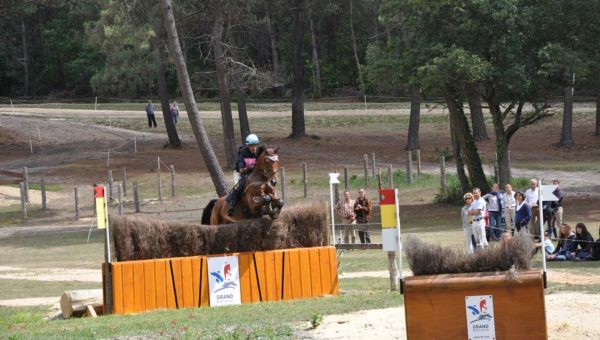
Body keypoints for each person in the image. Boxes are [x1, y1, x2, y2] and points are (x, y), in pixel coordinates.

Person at [226, 134, 262, 216]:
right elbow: (241, 169)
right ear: (248, 146)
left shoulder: (258, 152)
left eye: (255, 145)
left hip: (251, 174)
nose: (254, 148)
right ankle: (232, 205)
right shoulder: (242, 152)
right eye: (252, 146)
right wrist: (250, 168)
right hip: (240, 173)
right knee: (238, 187)